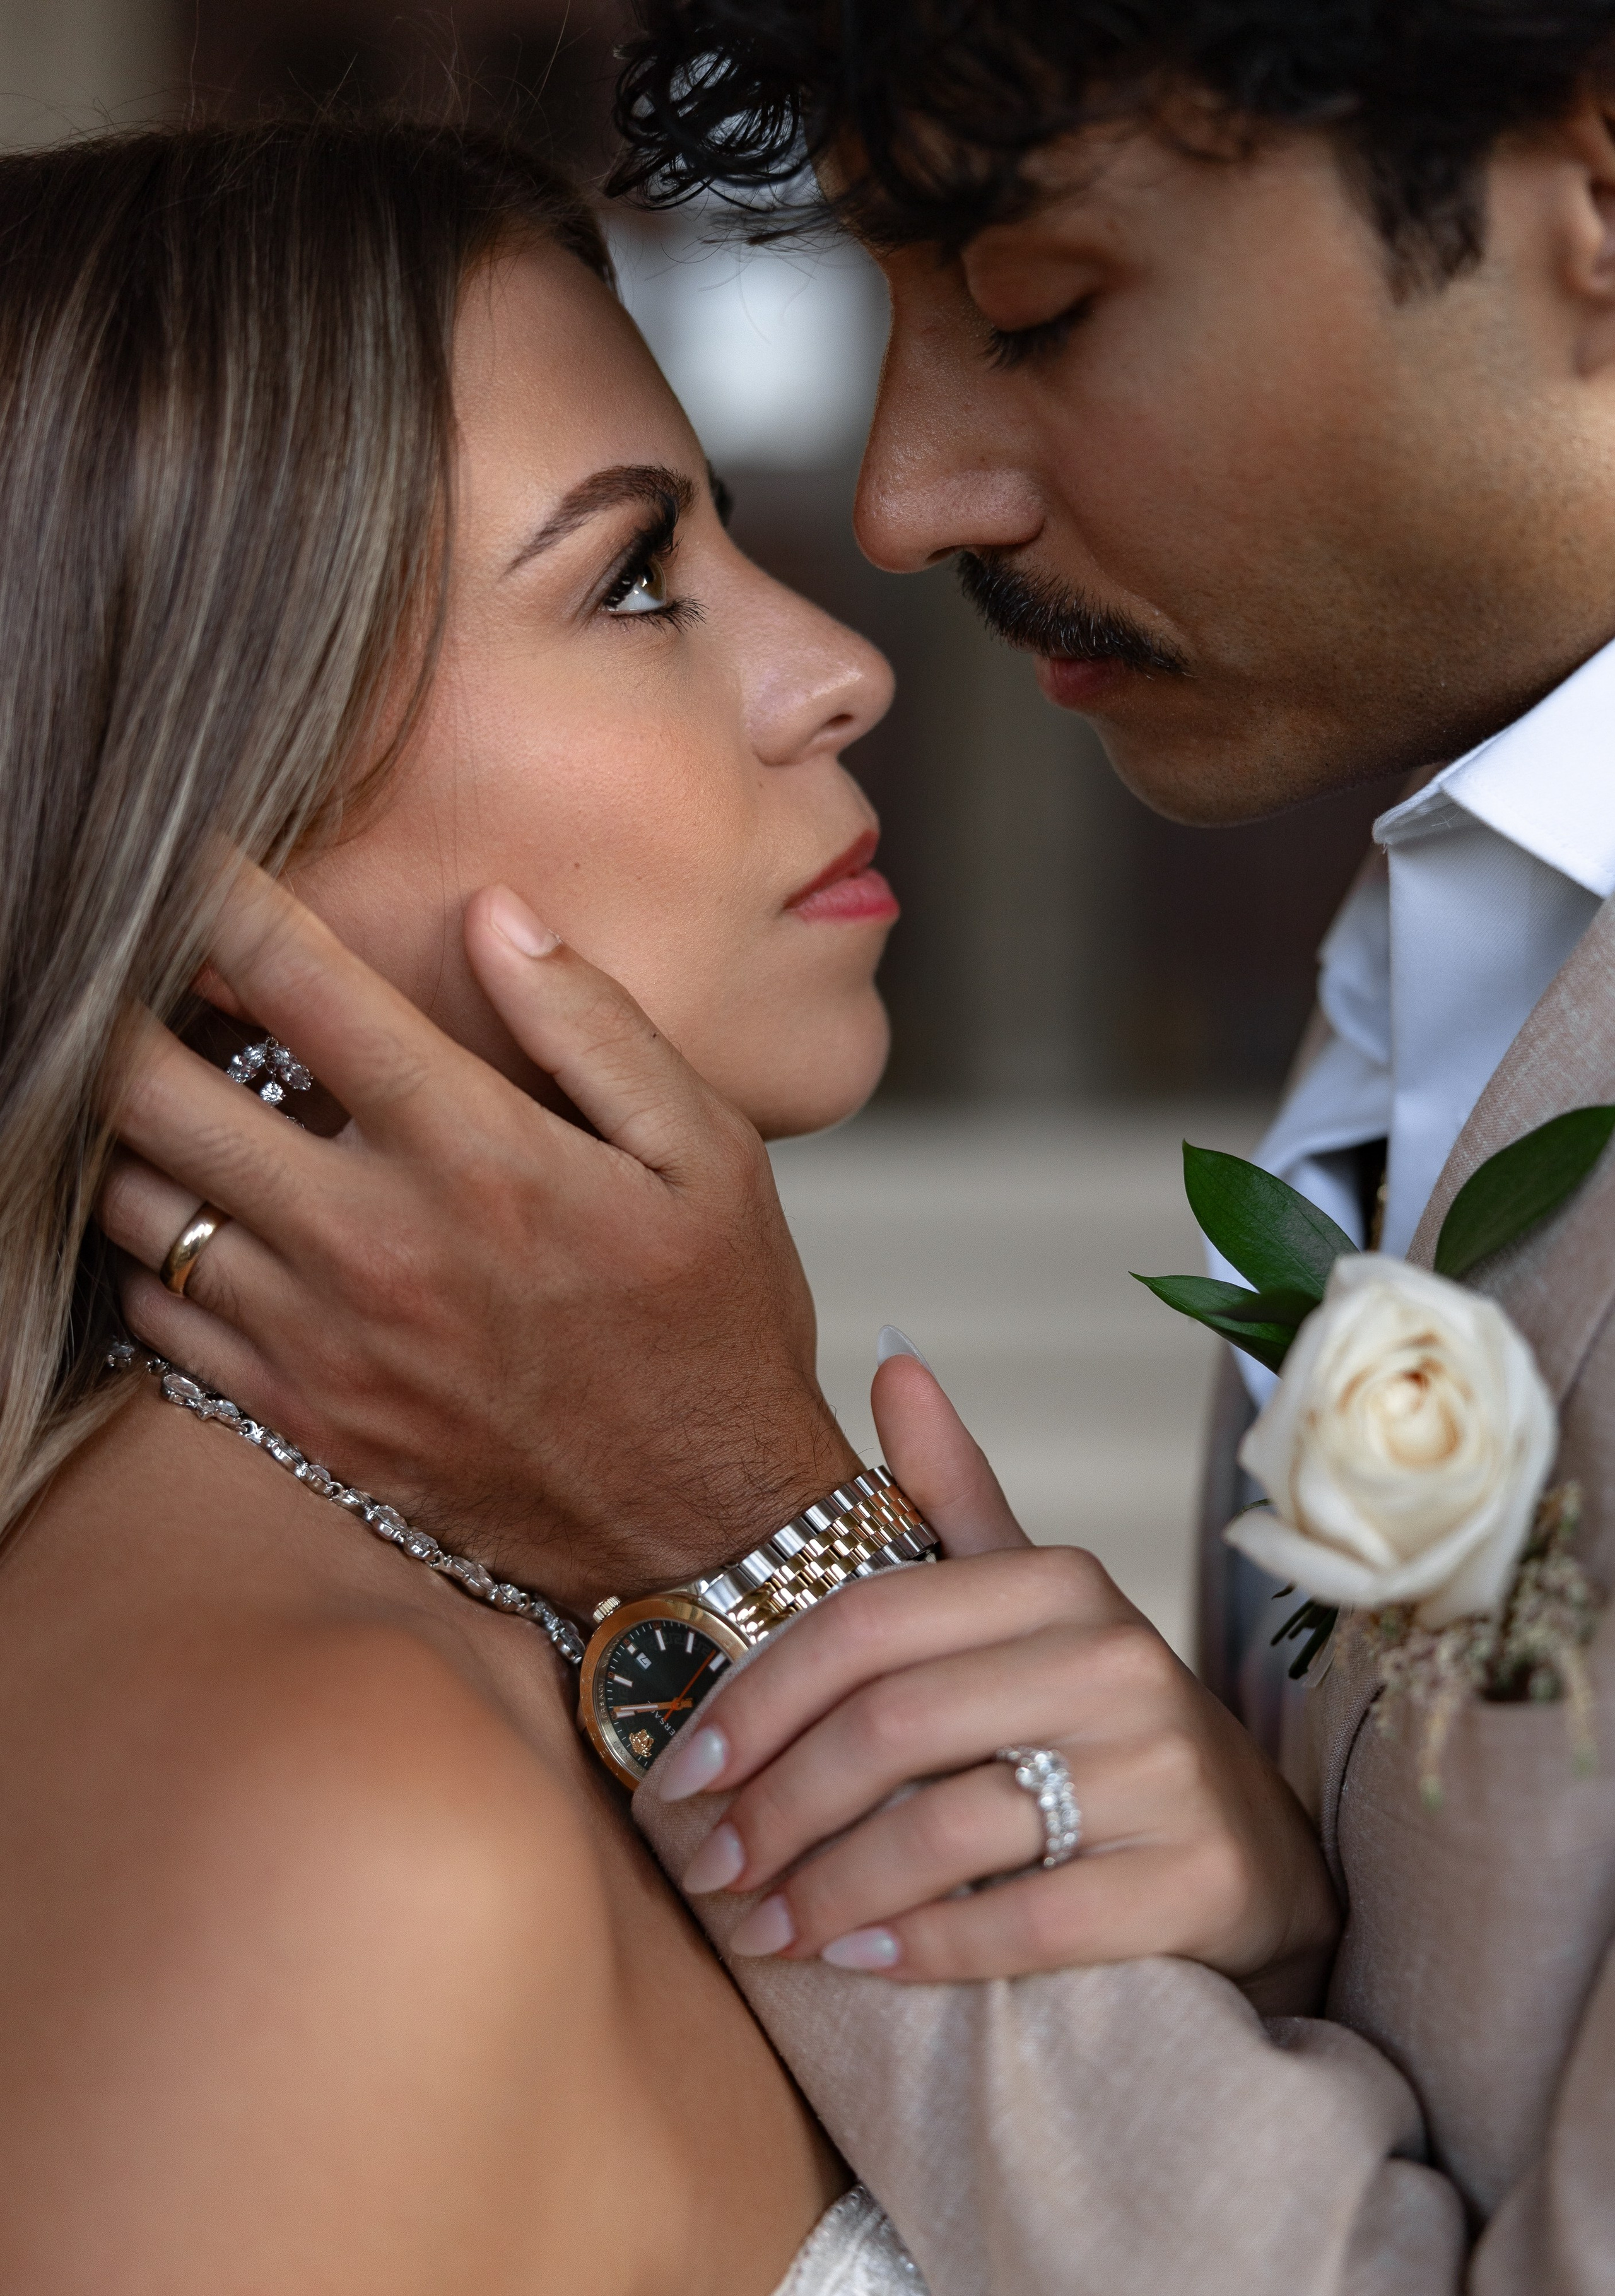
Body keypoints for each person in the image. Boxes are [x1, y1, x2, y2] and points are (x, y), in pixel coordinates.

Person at [101, 3, 1615, 2288]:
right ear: (177, 798)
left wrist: (751, 1557)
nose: (894, 529)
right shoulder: (323, 1817)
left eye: (1039, 309)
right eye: (633, 575)